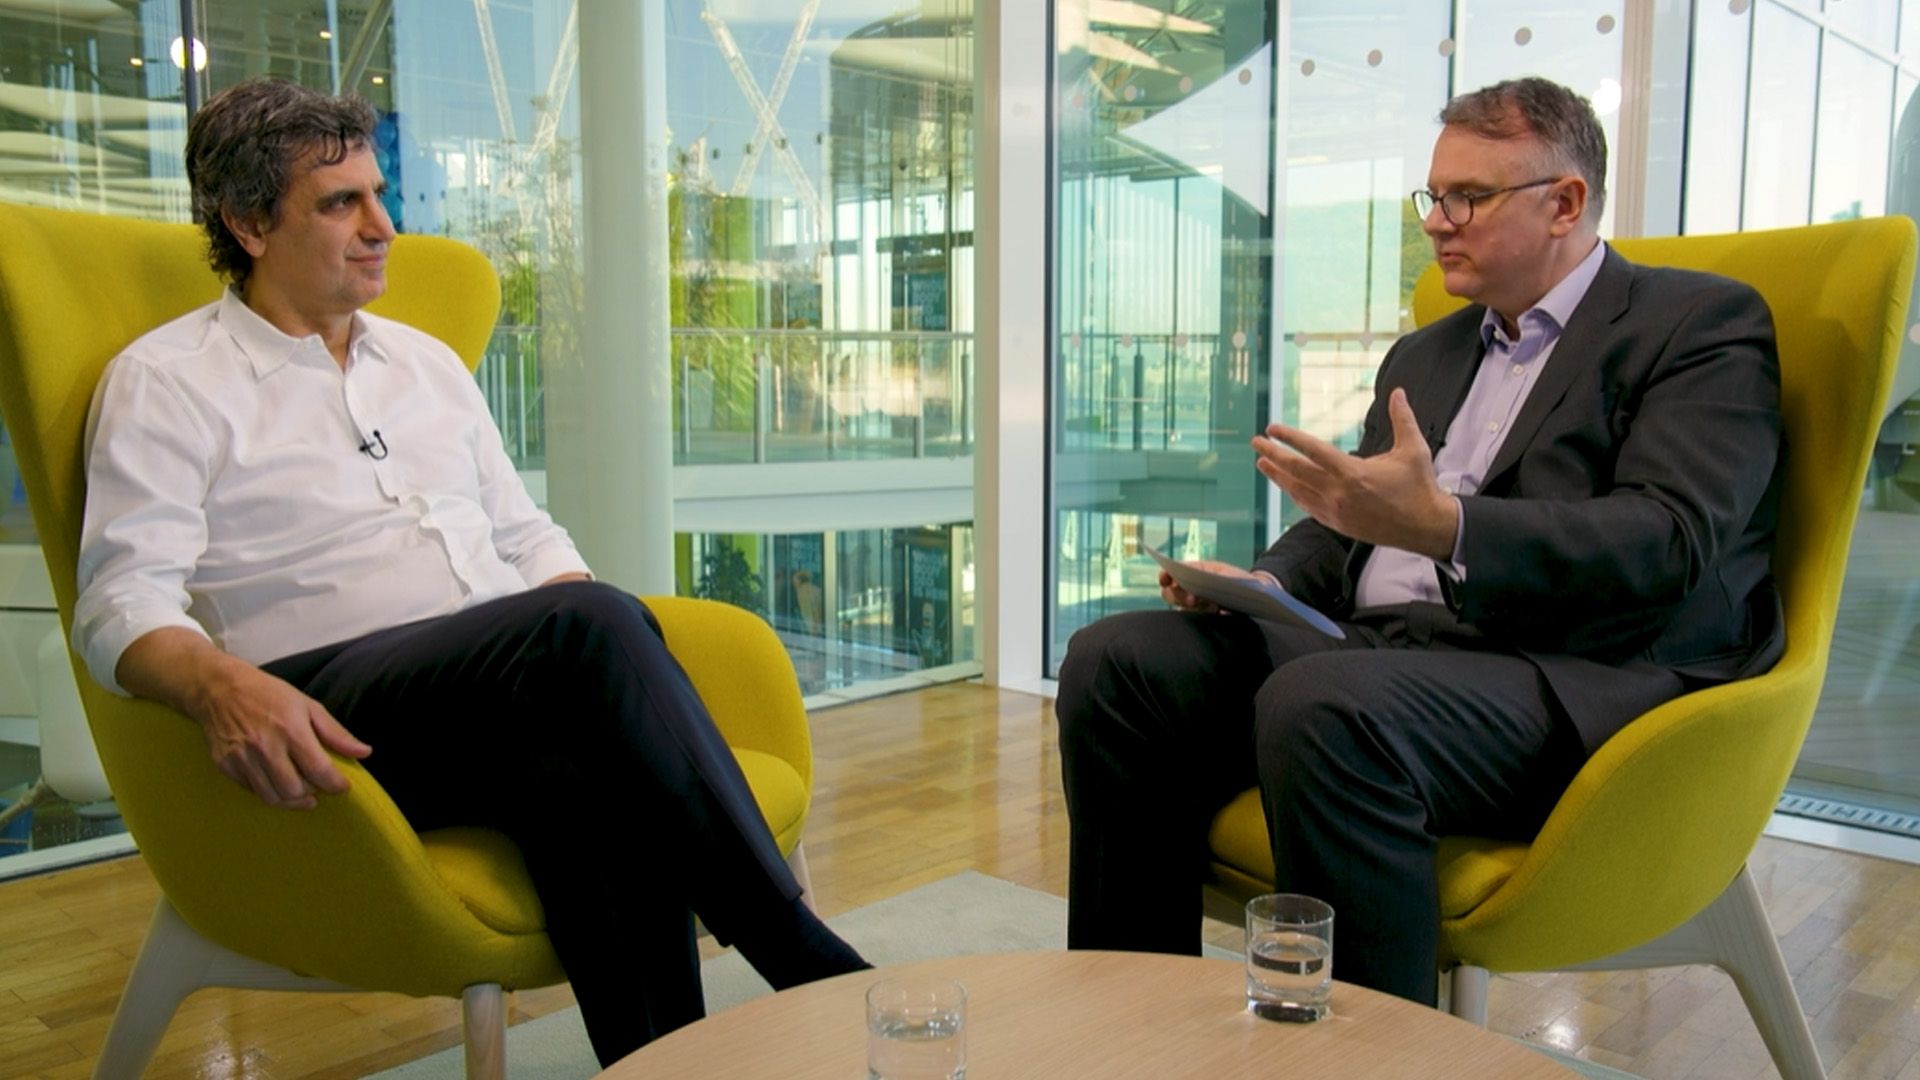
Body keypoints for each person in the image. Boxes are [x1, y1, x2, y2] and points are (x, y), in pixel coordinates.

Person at [70, 76, 867, 1065]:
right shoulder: (168, 382)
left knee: (580, 774)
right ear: (247, 223)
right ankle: (803, 955)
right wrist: (215, 684)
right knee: (586, 630)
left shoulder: (425, 365)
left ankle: (660, 1062)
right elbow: (117, 600)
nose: (383, 226)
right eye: (340, 203)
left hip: (496, 694)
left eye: (378, 194)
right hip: (327, 710)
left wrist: (602, 657)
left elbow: (525, 534)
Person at [1055, 77, 1784, 1006]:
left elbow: (1669, 540)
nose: (1437, 221)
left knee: (1328, 703)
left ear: (1565, 203)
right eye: (1431, 196)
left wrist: (1452, 528)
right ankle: (1131, 1013)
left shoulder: (1698, 326)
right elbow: (1352, 525)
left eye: (1467, 198)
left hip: (1566, 675)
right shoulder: (1427, 353)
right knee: (1113, 660)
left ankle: (1369, 1054)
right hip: (1383, 658)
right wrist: (1261, 581)